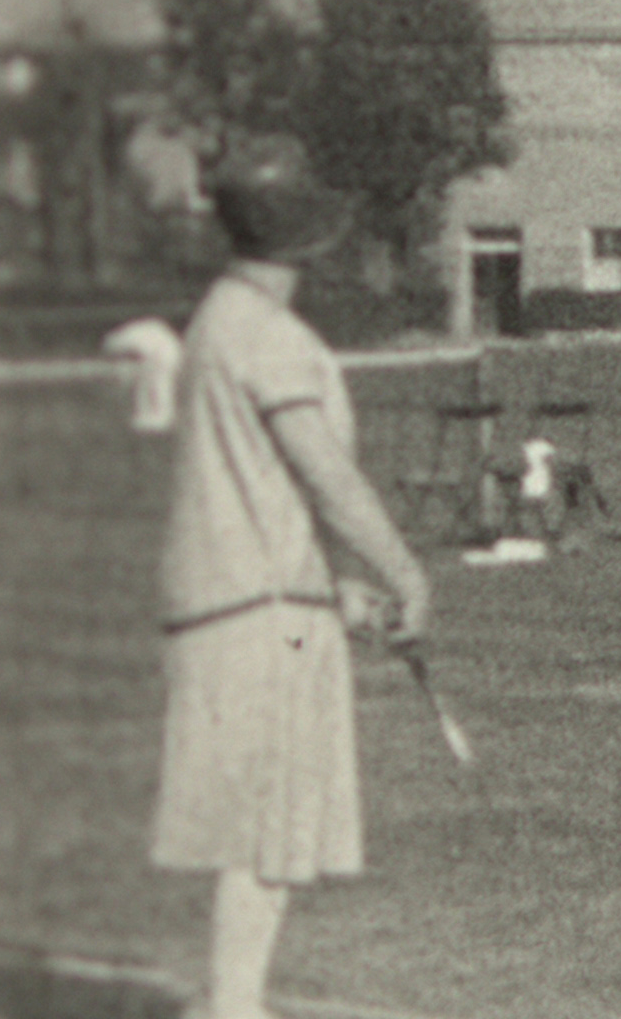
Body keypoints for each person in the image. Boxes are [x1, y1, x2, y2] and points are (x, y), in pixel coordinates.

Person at [152, 133, 431, 1019]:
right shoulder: (267, 336)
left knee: (256, 840)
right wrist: (404, 572)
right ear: (308, 234)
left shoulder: (215, 320)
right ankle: (230, 1011)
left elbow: (255, 492)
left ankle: (231, 1005)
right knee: (266, 838)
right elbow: (326, 478)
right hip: (255, 617)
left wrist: (328, 592)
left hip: (244, 604)